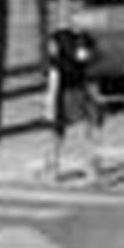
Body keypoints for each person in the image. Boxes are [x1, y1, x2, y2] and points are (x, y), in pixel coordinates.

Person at [44, 29, 104, 186]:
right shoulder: (78, 60)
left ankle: (55, 171)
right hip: (81, 93)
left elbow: (53, 86)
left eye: (52, 44)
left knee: (63, 133)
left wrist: (49, 106)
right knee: (82, 133)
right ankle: (89, 169)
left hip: (65, 96)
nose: (50, 47)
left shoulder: (58, 63)